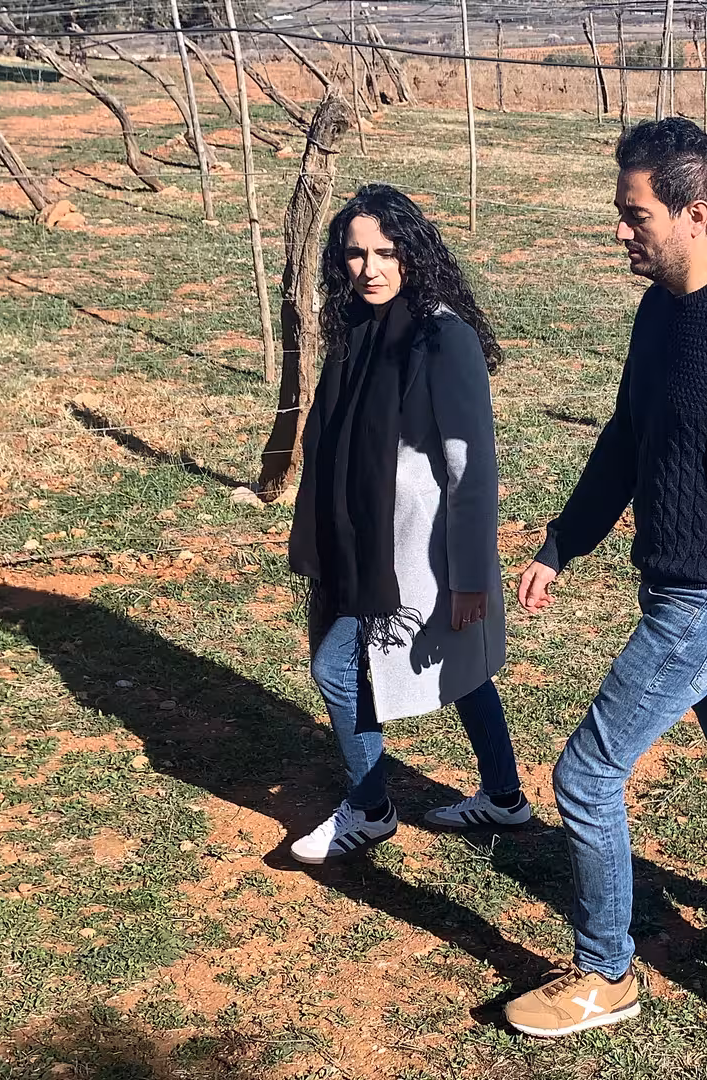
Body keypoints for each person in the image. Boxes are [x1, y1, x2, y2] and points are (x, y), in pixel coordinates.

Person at [500, 118, 707, 1038]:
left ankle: (607, 973)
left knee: (586, 775)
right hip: (675, 582)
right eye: (620, 212)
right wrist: (562, 542)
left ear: (695, 211)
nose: (621, 230)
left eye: (634, 214)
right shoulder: (661, 312)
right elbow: (627, 441)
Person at [285, 184, 533, 866]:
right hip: (358, 541)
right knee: (467, 670)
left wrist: (471, 578)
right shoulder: (356, 330)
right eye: (357, 254)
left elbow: (470, 469)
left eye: (387, 252)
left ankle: (369, 809)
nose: (370, 268)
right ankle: (506, 796)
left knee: (337, 670)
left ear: (413, 254)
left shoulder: (439, 337)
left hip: (414, 555)